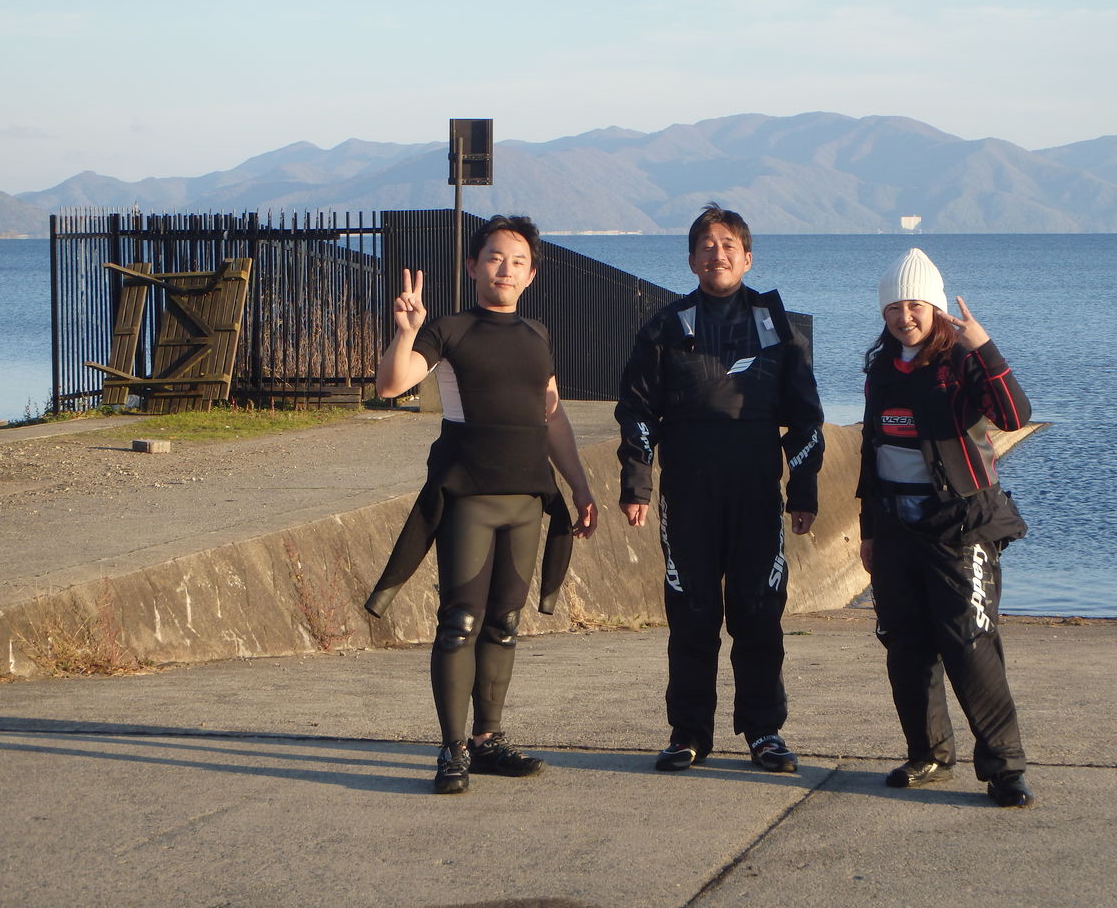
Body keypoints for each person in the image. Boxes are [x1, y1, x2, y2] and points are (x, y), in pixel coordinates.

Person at [364, 214, 598, 795]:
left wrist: (580, 485)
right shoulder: (450, 330)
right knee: (459, 623)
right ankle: (452, 750)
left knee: (504, 623)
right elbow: (391, 385)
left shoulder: (537, 335)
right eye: (494, 257)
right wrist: (405, 331)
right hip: (469, 497)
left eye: (518, 261)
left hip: (527, 499)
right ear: (472, 266)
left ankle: (487, 741)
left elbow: (552, 415)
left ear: (532, 275)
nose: (505, 269)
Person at [616, 203, 824, 773]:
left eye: (729, 245)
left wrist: (803, 490)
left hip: (756, 494)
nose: (718, 254)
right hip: (687, 496)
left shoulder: (778, 328)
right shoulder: (665, 327)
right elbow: (636, 410)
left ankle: (764, 732)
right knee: (692, 614)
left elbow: (805, 416)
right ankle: (689, 732)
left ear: (747, 257)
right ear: (691, 260)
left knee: (759, 612)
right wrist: (637, 482)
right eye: (707, 246)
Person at [856, 247, 1034, 808]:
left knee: (970, 644)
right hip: (895, 528)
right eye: (893, 308)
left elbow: (1014, 416)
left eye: (915, 305)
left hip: (961, 526)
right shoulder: (882, 368)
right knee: (906, 645)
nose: (904, 316)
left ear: (934, 308)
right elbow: (871, 450)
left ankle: (1005, 770)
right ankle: (929, 753)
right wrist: (868, 530)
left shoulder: (959, 361)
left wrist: (983, 346)